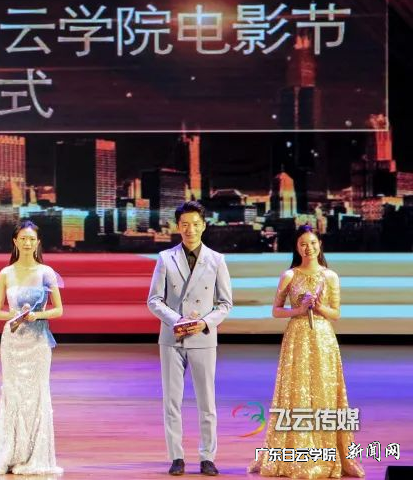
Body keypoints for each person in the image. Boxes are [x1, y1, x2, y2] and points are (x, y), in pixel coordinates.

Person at [247, 225, 365, 478]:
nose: (308, 248)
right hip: (297, 337)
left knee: (325, 391)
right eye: (303, 244)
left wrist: (319, 307)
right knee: (296, 391)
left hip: (323, 338)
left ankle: (330, 452)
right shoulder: (289, 275)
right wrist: (298, 311)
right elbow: (276, 310)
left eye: (312, 243)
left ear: (319, 244)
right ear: (297, 248)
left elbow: (336, 313)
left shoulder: (330, 276)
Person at [147, 201, 233, 477]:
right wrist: (178, 320)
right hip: (172, 338)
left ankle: (208, 456)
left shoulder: (216, 260)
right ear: (177, 227)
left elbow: (225, 303)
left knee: (207, 401)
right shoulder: (165, 258)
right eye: (185, 224)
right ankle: (176, 456)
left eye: (195, 224)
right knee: (172, 401)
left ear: (204, 226)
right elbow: (154, 300)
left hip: (203, 338)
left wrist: (204, 323)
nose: (190, 229)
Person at [0, 220, 64, 476]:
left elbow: (59, 309)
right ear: (15, 241)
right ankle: (11, 453)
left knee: (37, 394)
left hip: (38, 342)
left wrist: (38, 316)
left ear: (38, 242)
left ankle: (34, 455)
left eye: (32, 239)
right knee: (13, 394)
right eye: (23, 238)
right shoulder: (6, 273)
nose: (27, 243)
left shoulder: (46, 272)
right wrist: (14, 314)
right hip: (13, 342)